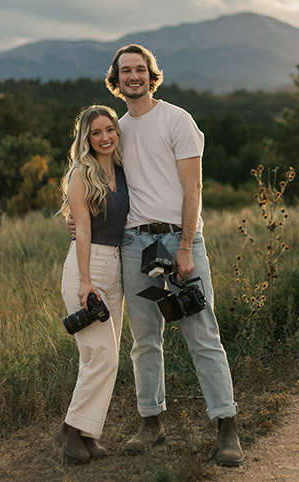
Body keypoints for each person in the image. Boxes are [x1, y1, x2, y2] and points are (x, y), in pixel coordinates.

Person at [105, 44, 243, 466]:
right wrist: (79, 221)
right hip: (136, 246)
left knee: (203, 333)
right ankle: (152, 422)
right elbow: (107, 189)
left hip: (181, 242)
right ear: (116, 80)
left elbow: (193, 189)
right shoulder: (118, 132)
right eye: (125, 70)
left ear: (151, 74)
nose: (133, 76)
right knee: (145, 339)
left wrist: (184, 246)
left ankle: (226, 425)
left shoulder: (177, 119)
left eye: (140, 69)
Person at [56, 105, 129, 464]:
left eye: (109, 130)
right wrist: (86, 282)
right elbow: (82, 229)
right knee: (104, 355)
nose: (105, 137)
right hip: (88, 266)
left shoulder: (122, 169)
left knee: (98, 356)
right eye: (96, 132)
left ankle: (85, 434)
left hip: (116, 264)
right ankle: (71, 430)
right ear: (86, 138)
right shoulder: (81, 175)